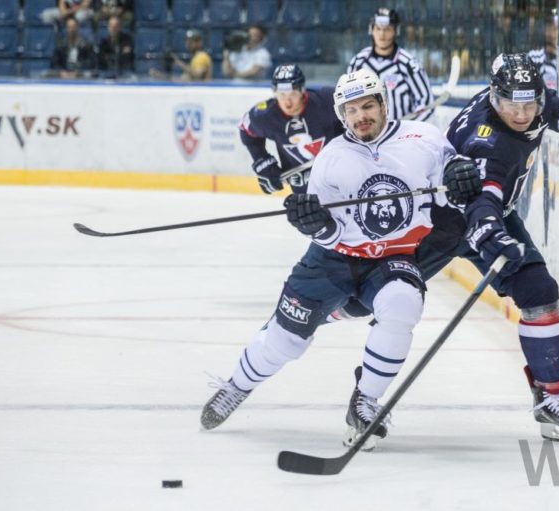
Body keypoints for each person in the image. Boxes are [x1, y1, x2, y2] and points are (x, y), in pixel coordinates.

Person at [333, 53, 559, 444]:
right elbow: (483, 202)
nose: (522, 115)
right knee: (371, 300)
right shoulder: (488, 144)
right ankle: (360, 391)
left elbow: (543, 101)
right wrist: (490, 233)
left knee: (538, 290)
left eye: (529, 105)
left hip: (491, 214)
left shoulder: (513, 97)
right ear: (495, 99)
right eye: (512, 106)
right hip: (441, 223)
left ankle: (550, 397)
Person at [200, 68, 476, 450]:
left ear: (383, 104)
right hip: (333, 259)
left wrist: (460, 174)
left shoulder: (424, 138)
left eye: (368, 106)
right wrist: (314, 223)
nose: (361, 116)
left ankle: (365, 402)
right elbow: (329, 234)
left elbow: (450, 181)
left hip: (394, 256)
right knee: (285, 341)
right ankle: (237, 386)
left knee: (402, 304)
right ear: (342, 115)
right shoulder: (331, 158)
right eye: (351, 110)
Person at [238, 64, 345, 194]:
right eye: (282, 95)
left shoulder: (326, 100)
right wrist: (262, 161)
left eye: (292, 94)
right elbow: (244, 128)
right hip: (304, 197)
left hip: (342, 186)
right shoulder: (267, 115)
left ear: (302, 90)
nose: (287, 102)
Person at [347, 7, 434, 121]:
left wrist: (409, 128)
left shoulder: (408, 64)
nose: (382, 34)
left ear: (396, 31)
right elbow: (347, 101)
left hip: (400, 131)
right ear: (371, 30)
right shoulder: (358, 62)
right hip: (366, 130)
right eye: (378, 28)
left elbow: (426, 102)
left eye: (387, 29)